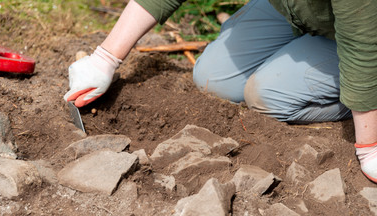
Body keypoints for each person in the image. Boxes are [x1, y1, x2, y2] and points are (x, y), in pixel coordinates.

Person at [64, 0, 377, 183]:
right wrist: (105, 58)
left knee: (266, 94)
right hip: (298, 8)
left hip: (365, 33)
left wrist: (369, 146)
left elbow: (362, 46)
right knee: (212, 78)